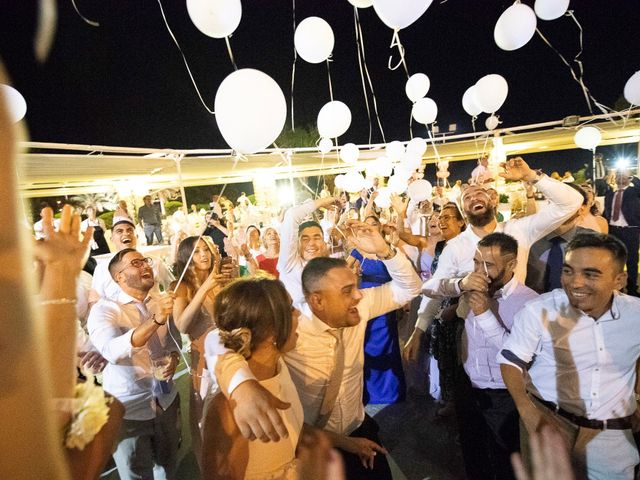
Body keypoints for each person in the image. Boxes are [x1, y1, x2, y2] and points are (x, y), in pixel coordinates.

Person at [206, 220, 422, 480]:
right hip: (315, 450)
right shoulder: (293, 334)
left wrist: (385, 251)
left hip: (354, 433)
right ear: (317, 300)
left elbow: (410, 288)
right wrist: (240, 385)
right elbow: (218, 339)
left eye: (355, 286)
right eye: (347, 291)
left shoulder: (356, 310)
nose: (359, 296)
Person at [499, 233, 640, 480]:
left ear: (619, 280)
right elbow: (511, 361)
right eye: (568, 271)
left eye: (590, 274)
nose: (574, 283)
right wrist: (527, 412)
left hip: (612, 435)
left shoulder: (635, 315)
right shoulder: (539, 310)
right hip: (550, 423)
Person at [422, 157, 583, 301]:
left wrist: (532, 176)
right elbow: (429, 287)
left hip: (518, 320)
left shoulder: (519, 230)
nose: (474, 198)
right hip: (476, 325)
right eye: (467, 198)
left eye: (479, 193)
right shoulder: (456, 246)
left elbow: (572, 203)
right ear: (463, 212)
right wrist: (460, 284)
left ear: (492, 202)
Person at [88, 248, 182, 480]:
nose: (146, 266)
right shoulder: (106, 310)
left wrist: (174, 358)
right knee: (136, 475)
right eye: (136, 263)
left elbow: (173, 340)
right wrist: (156, 319)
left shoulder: (159, 302)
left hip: (166, 401)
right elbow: (111, 351)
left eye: (146, 261)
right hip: (129, 410)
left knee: (169, 467)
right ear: (119, 276)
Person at [454, 233, 538, 480]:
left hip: (506, 396)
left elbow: (519, 357)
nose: (479, 272)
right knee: (473, 457)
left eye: (488, 265)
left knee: (507, 462)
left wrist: (483, 314)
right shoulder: (471, 289)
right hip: (470, 389)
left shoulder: (529, 302)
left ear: (511, 264)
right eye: (476, 264)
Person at [201, 277, 303, 480]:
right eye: (290, 308)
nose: (299, 313)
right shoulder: (231, 409)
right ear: (271, 331)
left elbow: (291, 428)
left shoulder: (279, 368)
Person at [172, 235, 229, 470]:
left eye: (206, 249)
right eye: (196, 252)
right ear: (186, 257)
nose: (204, 255)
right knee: (205, 417)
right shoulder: (183, 286)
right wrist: (205, 288)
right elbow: (182, 325)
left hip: (229, 353)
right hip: (204, 360)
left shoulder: (221, 279)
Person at [349, 214, 406, 405]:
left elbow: (401, 274)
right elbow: (343, 270)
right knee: (365, 344)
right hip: (364, 300)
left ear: (379, 228)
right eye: (367, 225)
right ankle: (369, 391)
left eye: (373, 225)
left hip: (386, 300)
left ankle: (390, 391)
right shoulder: (358, 251)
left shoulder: (388, 250)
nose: (369, 228)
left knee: (387, 342)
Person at [525, 183, 595, 294]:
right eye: (555, 201)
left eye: (567, 203)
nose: (560, 207)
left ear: (582, 209)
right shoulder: (530, 239)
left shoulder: (594, 243)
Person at [89, 216, 174, 305]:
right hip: (118, 318)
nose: (126, 233)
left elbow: (172, 285)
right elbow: (94, 300)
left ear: (136, 236)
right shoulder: (102, 268)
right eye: (119, 231)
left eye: (130, 230)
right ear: (111, 239)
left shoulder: (154, 262)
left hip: (154, 316)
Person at [277, 196, 338, 308]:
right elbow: (291, 216)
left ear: (324, 242)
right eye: (305, 239)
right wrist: (320, 202)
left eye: (317, 238)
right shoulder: (290, 264)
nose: (311, 243)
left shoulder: (330, 267)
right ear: (297, 243)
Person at [603, 167, 640, 295]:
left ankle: (632, 289)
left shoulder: (634, 192)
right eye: (618, 174)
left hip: (630, 231)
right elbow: (606, 212)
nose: (620, 177)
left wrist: (632, 177)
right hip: (613, 231)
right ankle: (615, 288)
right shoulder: (611, 194)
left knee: (632, 261)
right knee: (613, 261)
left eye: (623, 175)